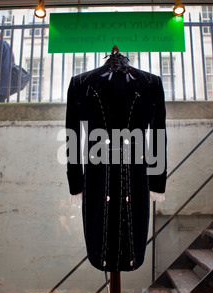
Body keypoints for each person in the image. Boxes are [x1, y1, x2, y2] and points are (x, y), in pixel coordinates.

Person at [66, 46, 167, 273]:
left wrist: (157, 180)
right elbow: (71, 136)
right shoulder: (79, 84)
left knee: (132, 231)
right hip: (100, 176)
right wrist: (76, 183)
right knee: (99, 233)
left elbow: (159, 134)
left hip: (130, 175)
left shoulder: (152, 83)